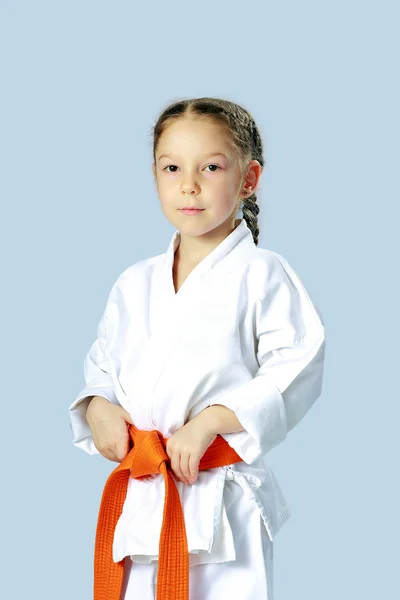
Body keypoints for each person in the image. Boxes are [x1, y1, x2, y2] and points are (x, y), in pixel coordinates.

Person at [69, 96, 326, 600]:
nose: (189, 184)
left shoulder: (262, 273)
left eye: (211, 167)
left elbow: (296, 366)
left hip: (221, 498)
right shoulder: (133, 282)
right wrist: (98, 406)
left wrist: (210, 422)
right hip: (145, 495)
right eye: (172, 168)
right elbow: (103, 366)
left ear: (249, 178)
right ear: (155, 175)